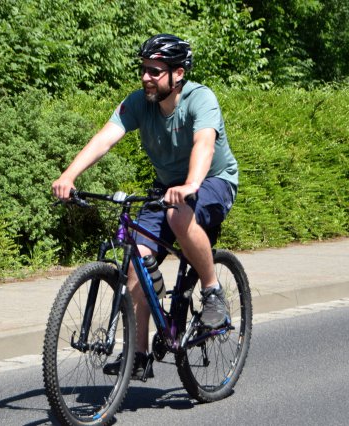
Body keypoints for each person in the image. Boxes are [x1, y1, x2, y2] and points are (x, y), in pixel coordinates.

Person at [52, 34, 238, 380]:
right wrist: (69, 175)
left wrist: (191, 185)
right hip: (168, 188)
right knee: (136, 255)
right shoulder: (140, 102)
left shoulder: (201, 99)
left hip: (213, 181)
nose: (146, 77)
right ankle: (137, 355)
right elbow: (106, 136)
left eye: (155, 71)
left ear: (177, 73)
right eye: (144, 70)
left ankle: (212, 292)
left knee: (177, 212)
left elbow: (204, 146)